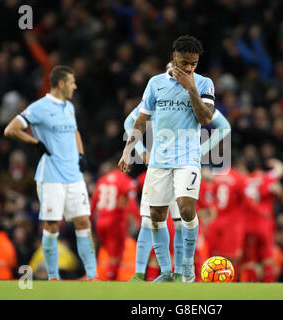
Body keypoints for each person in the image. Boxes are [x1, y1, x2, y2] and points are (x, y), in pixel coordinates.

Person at [119, 35, 215, 282]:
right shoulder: (155, 83)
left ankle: (187, 267)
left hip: (187, 158)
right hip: (159, 160)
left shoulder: (204, 84)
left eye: (193, 63)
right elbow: (141, 120)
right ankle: (165, 273)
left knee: (185, 208)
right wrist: (128, 150)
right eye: (184, 62)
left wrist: (191, 88)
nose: (189, 68)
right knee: (156, 216)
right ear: (174, 57)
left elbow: (206, 119)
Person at [4, 65, 97, 280]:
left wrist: (81, 155)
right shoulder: (39, 107)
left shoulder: (69, 107)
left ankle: (93, 275)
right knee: (52, 225)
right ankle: (53, 277)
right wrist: (34, 142)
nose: (75, 86)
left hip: (73, 175)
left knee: (83, 221)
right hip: (51, 177)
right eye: (72, 82)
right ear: (61, 83)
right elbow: (11, 129)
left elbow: (74, 131)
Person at [89, 157, 138, 280]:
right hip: (115, 222)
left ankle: (107, 278)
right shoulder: (126, 181)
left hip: (100, 222)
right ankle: (111, 281)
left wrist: (89, 223)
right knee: (116, 256)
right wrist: (140, 219)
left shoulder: (102, 180)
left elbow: (93, 203)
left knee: (109, 254)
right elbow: (131, 203)